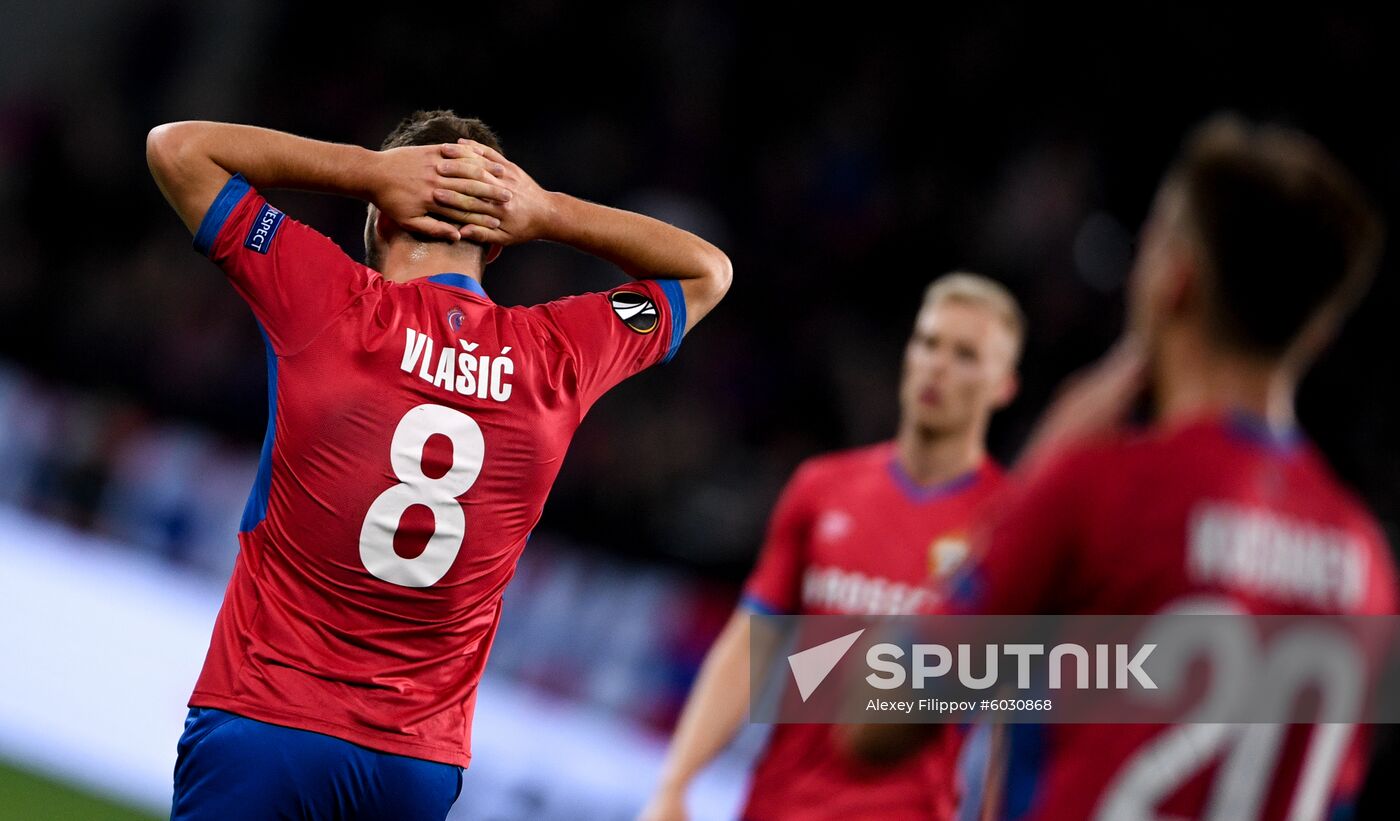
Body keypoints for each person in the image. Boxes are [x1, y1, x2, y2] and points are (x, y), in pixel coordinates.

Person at [145, 109, 731, 820]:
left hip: (263, 719)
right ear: (498, 244)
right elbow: (706, 270)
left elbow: (178, 150)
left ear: (378, 217)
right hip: (410, 764)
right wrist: (547, 210)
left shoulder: (328, 301)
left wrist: (366, 170)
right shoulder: (555, 355)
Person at [854, 115, 1395, 821]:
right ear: (1315, 330)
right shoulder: (1367, 565)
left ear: (1175, 279)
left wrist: (1033, 480)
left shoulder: (1101, 487)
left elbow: (875, 716)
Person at [641, 273, 1024, 820]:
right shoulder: (823, 488)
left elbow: (1013, 716)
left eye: (965, 355)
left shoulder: (1006, 525)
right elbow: (753, 642)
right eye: (928, 342)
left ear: (1003, 384)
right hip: (778, 804)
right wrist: (675, 784)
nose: (937, 364)